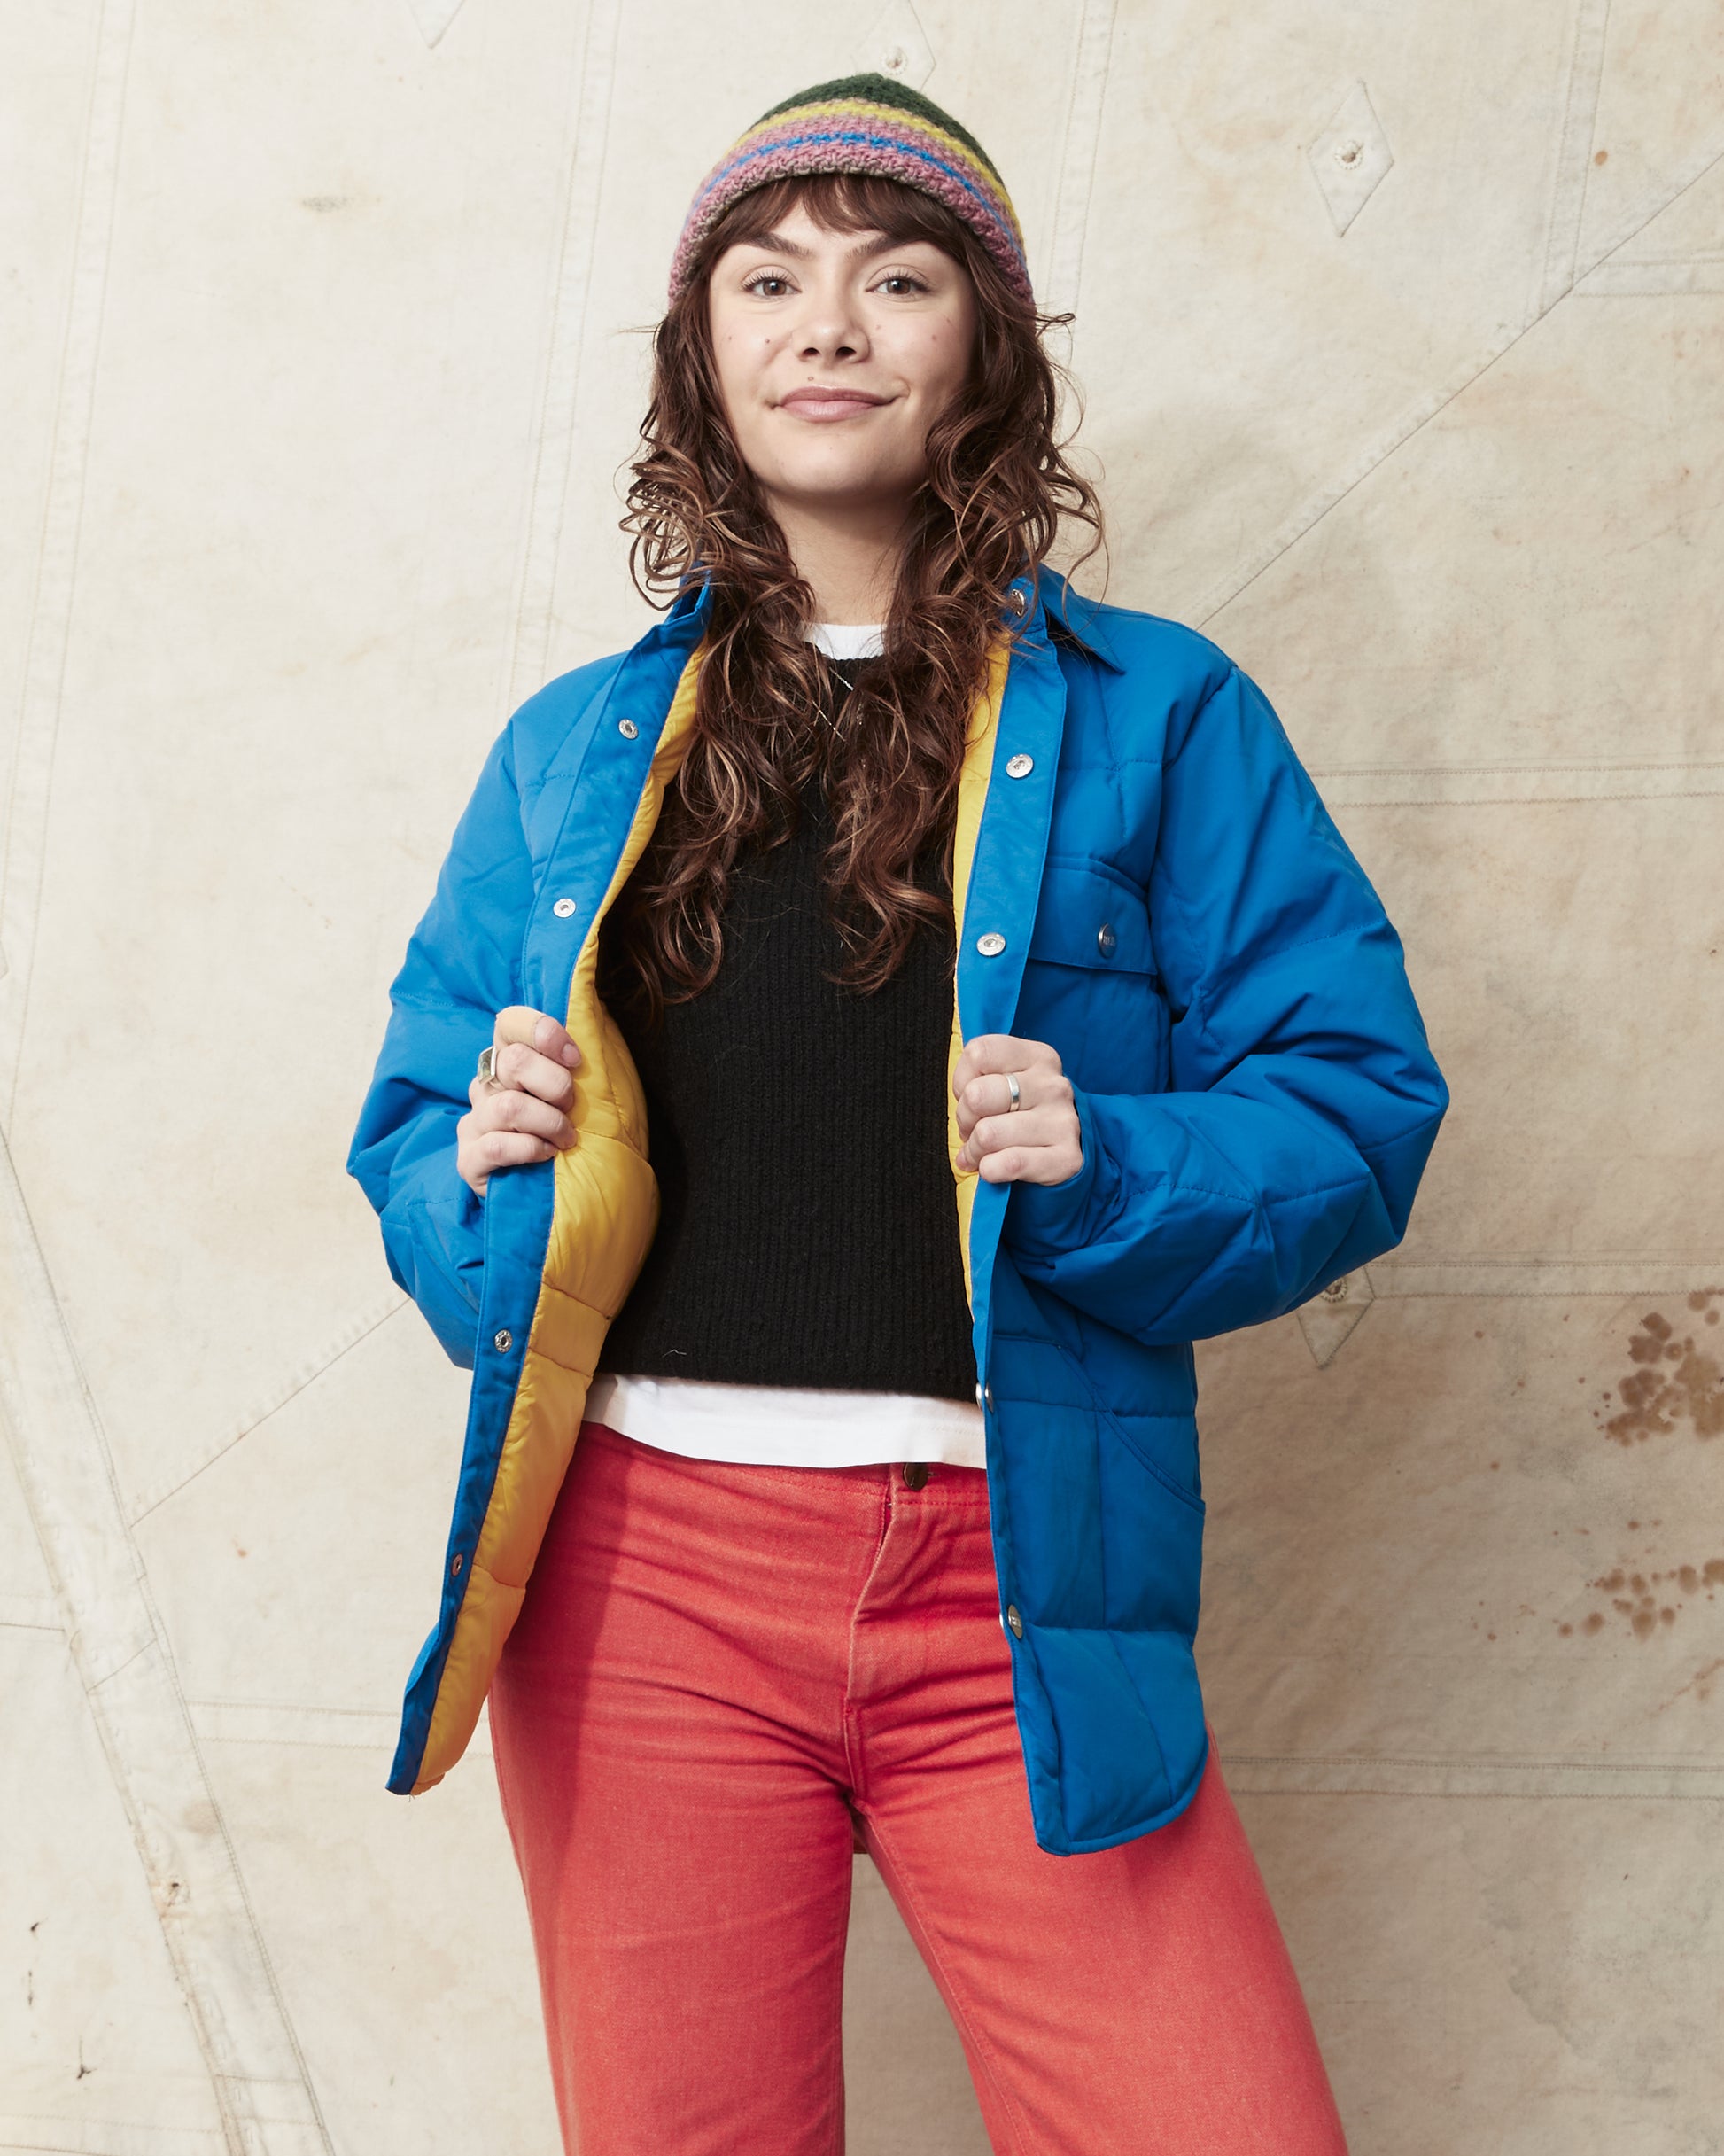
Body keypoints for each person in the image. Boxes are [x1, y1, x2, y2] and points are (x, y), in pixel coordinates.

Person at [349, 73, 1447, 2156]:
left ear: (984, 351)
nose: (827, 326)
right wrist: (477, 1164)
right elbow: (413, 1133)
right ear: (703, 355)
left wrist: (1113, 1156)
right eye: (767, 282)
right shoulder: (571, 750)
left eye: (898, 277)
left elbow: (1355, 1103)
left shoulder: (1162, 714)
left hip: (1017, 1569)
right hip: (643, 1581)